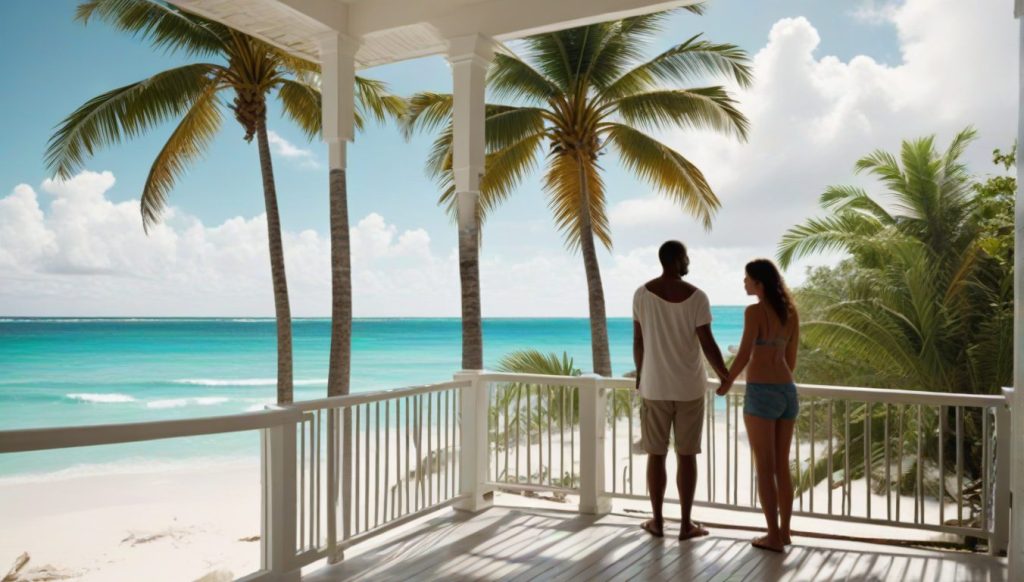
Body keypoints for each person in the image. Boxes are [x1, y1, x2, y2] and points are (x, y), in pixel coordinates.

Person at [633, 240, 729, 540]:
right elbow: (708, 343)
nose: (688, 261)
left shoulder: (642, 294)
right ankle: (686, 524)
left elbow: (639, 342)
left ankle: (658, 522)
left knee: (656, 455)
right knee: (686, 456)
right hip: (688, 388)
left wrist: (641, 375)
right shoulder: (697, 296)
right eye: (686, 256)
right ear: (676, 260)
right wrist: (725, 376)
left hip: (655, 386)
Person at [717, 258, 800, 553]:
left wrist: (726, 383)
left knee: (764, 468)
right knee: (782, 466)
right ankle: (786, 531)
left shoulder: (754, 312)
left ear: (759, 284)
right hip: (787, 391)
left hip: (762, 392)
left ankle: (773, 536)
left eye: (747, 279)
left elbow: (742, 355)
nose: (744, 283)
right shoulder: (791, 312)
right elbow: (791, 359)